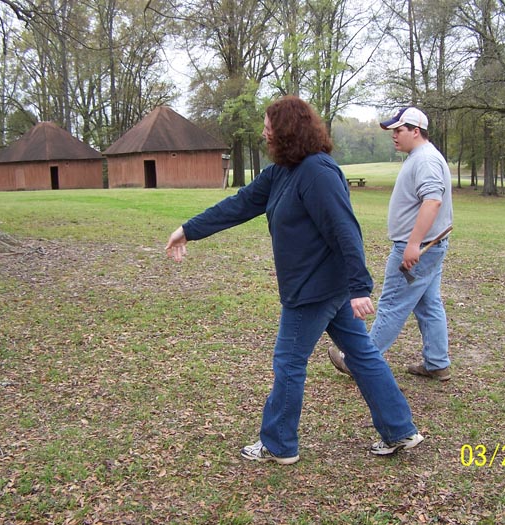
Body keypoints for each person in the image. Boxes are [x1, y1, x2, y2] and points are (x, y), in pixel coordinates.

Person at [165, 96, 423, 465]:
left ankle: (279, 444)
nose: (264, 133)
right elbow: (240, 204)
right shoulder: (283, 170)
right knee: (363, 356)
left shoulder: (317, 172)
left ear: (287, 130)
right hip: (323, 288)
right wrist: (188, 230)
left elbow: (344, 230)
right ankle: (400, 430)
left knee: (288, 361)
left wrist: (360, 286)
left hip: (314, 290)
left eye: (269, 127)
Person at [328, 107, 454, 381]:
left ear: (415, 131)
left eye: (399, 130)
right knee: (429, 304)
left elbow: (433, 201)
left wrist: (412, 245)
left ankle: (358, 362)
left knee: (391, 304)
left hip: (418, 248)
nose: (394, 136)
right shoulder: (421, 156)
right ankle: (437, 363)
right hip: (430, 246)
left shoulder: (425, 160)